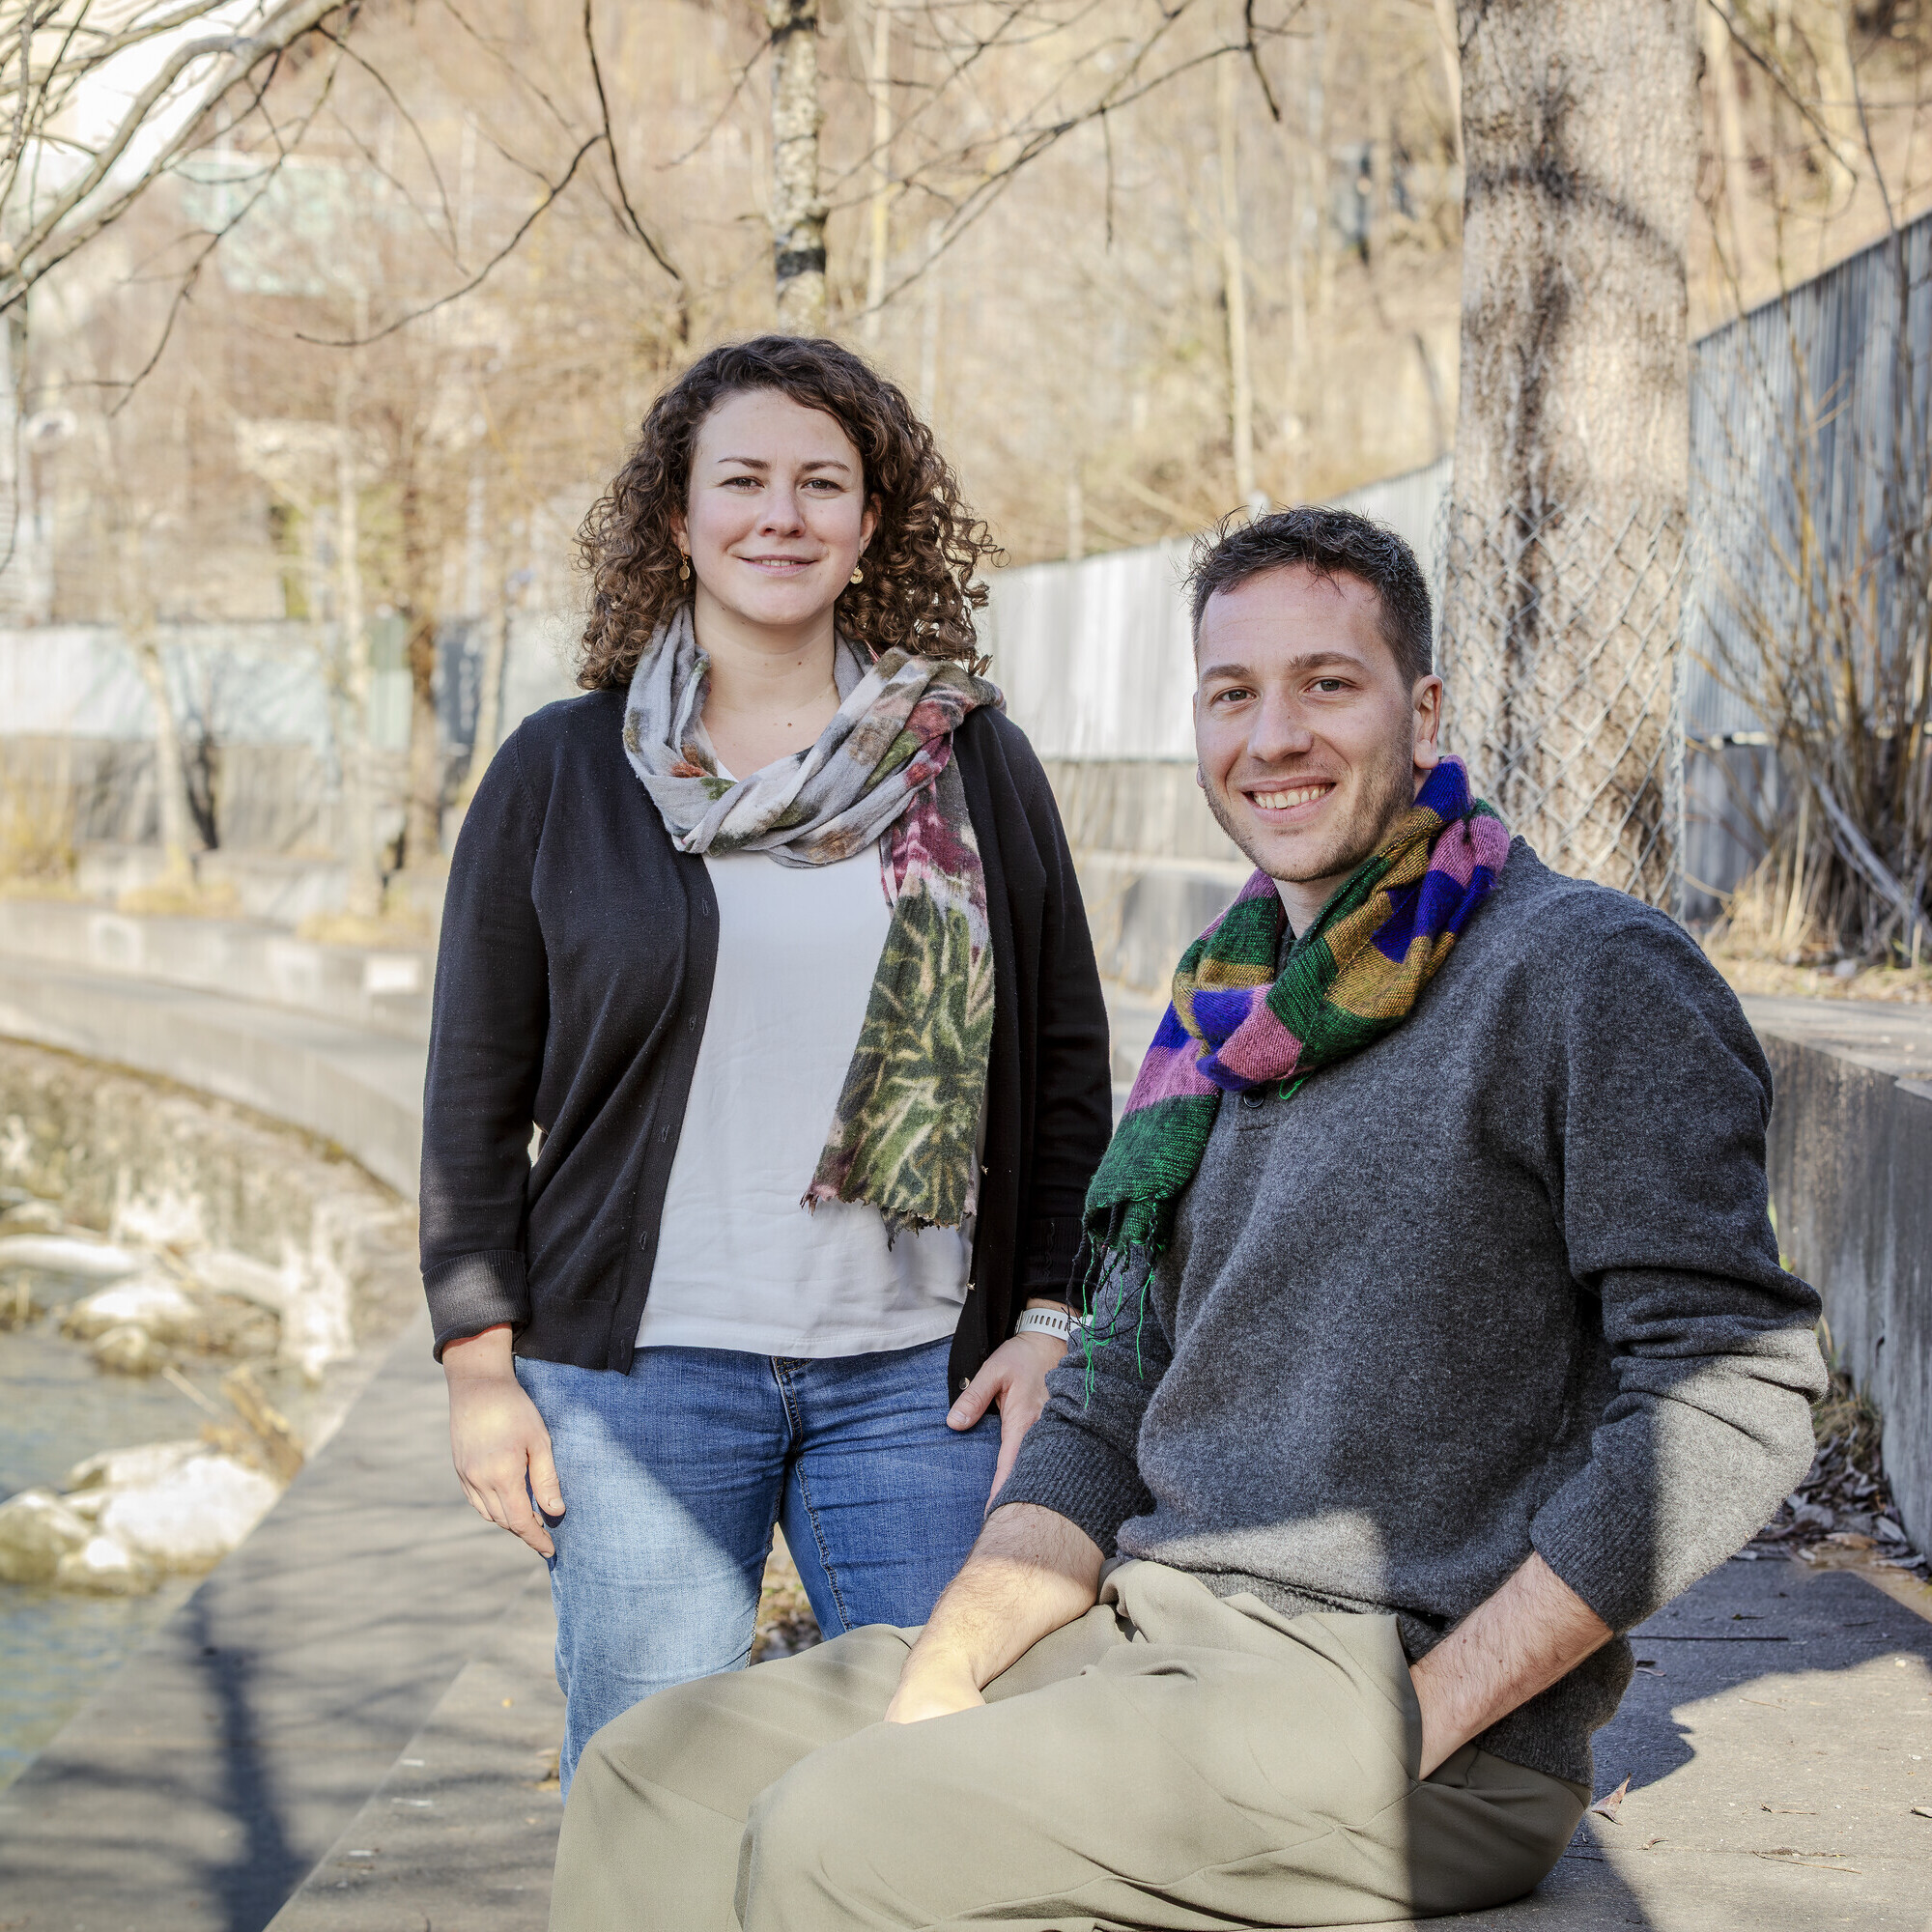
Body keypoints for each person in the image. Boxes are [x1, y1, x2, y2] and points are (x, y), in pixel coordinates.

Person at [549, 506, 1828, 1931]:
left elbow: (1737, 1388)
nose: (1273, 735)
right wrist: (945, 1673)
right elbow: (1108, 1393)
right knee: (657, 1770)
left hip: (1397, 1703)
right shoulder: (1226, 1010)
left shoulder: (1587, 975)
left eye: (1326, 685)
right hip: (1152, 1632)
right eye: (1233, 694)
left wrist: (1432, 1710)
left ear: (1424, 709)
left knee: (844, 1834)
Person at [418, 335, 1112, 1795]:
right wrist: (482, 1370)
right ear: (679, 519)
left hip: (921, 1380)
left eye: (821, 483)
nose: (778, 515)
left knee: (953, 1782)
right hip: (639, 1384)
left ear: (870, 526)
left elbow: (1061, 1067)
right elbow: (476, 1088)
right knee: (647, 1790)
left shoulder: (968, 760)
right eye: (741, 480)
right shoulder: (565, 769)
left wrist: (1051, 1321)